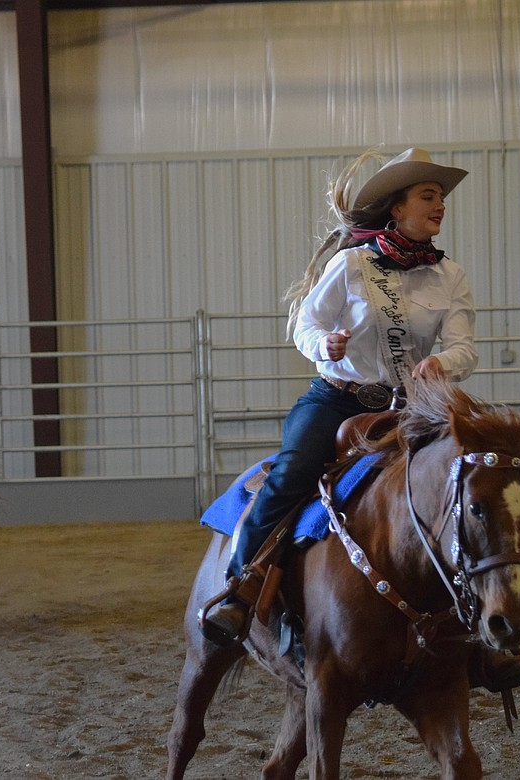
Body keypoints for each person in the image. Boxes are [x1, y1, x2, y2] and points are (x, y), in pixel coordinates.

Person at [201, 147, 479, 646]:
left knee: (465, 481)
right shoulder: (352, 265)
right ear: (398, 208)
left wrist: (445, 363)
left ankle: (470, 617)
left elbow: (464, 348)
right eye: (428, 196)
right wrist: (323, 346)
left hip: (408, 406)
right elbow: (306, 324)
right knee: (291, 475)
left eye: (441, 198)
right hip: (336, 400)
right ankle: (239, 589)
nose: (440, 205)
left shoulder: (450, 276)